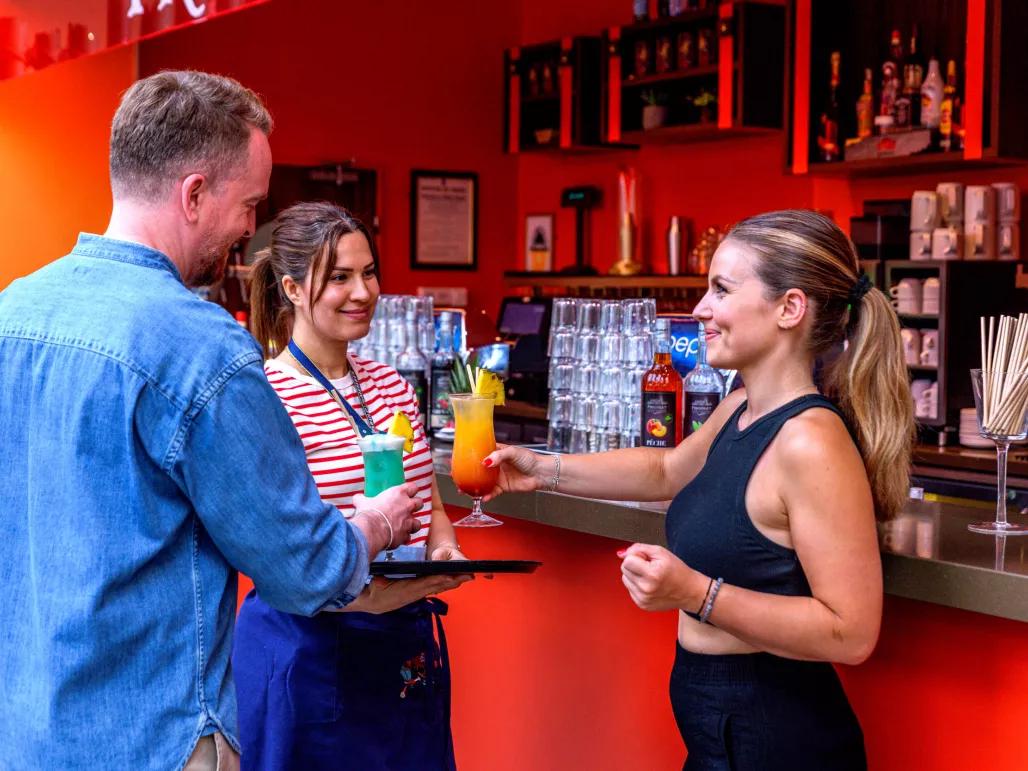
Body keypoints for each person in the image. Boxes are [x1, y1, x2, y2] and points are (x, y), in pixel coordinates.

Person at [0, 71, 421, 770]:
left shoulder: (13, 313)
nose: (251, 229)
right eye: (250, 204)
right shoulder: (201, 345)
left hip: (25, 730)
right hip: (155, 740)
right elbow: (304, 566)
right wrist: (377, 523)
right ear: (194, 192)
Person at [486, 210, 913, 770]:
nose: (700, 309)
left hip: (778, 735)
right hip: (721, 730)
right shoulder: (741, 406)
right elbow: (665, 471)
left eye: (721, 290)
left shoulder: (810, 441)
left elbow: (851, 633)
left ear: (790, 308)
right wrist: (542, 469)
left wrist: (696, 594)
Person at [233, 200, 471, 770]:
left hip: (403, 643)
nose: (362, 291)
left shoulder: (393, 386)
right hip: (308, 650)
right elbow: (272, 543)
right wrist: (357, 591)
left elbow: (428, 501)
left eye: (368, 273)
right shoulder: (263, 396)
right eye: (338, 277)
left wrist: (444, 552)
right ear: (290, 288)